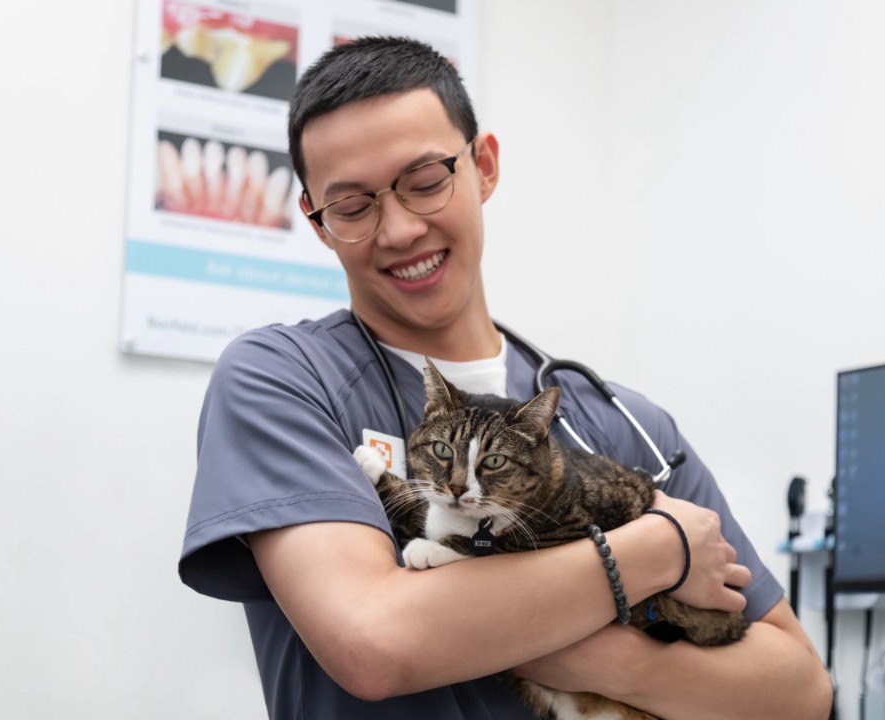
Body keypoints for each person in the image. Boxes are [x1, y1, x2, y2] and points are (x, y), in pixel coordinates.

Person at [179, 35, 833, 720]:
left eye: (425, 183)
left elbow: (800, 693)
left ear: (484, 166)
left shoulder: (621, 423)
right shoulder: (282, 382)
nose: (398, 230)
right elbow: (376, 643)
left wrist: (602, 659)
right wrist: (653, 550)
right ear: (318, 223)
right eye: (352, 207)